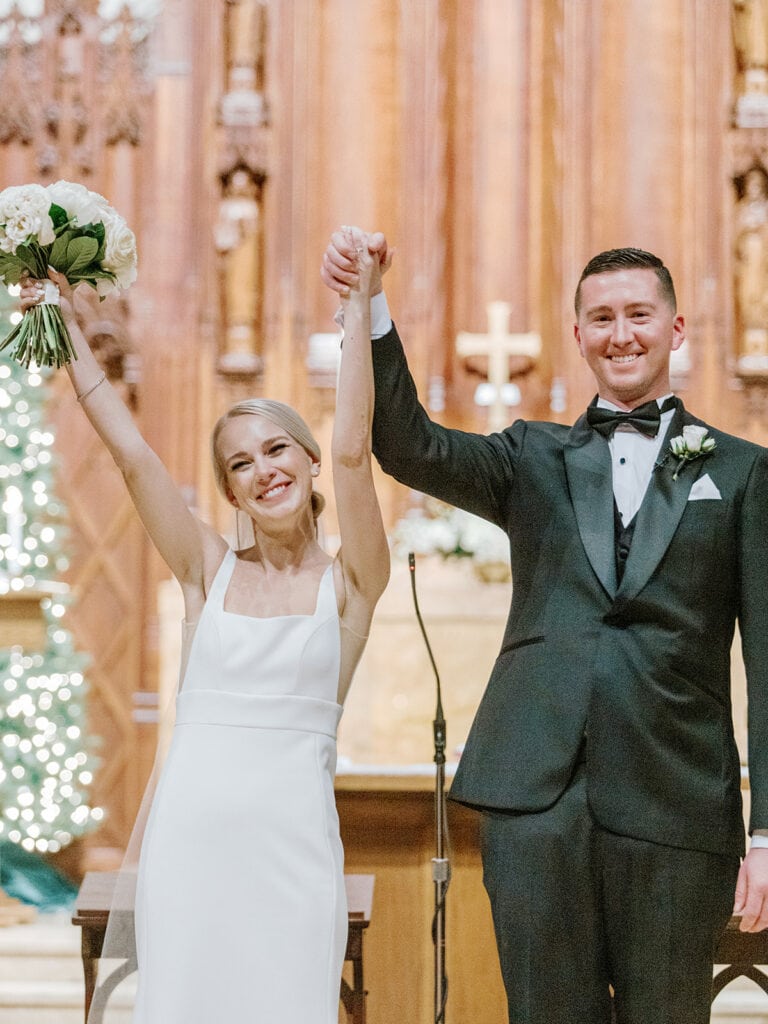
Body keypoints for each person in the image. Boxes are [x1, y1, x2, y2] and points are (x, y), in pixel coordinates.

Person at [321, 234, 768, 1024]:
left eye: (638, 314)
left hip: (678, 800)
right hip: (537, 801)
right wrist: (373, 305)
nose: (619, 333)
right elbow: (407, 445)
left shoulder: (740, 472)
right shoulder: (533, 456)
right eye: (601, 318)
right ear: (578, 336)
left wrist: (766, 833)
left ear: (676, 328)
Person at [19, 225, 389, 1024]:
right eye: (241, 464)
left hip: (293, 854)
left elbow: (357, 449)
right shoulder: (205, 573)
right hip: (191, 846)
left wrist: (360, 311)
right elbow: (130, 454)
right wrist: (64, 325)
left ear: (307, 459)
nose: (266, 470)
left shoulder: (353, 585)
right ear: (230, 492)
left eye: (279, 447)